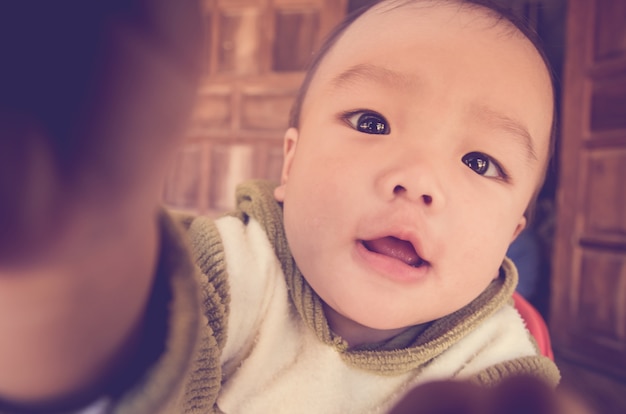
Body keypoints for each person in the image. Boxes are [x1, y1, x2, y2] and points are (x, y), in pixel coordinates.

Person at [0, 0, 560, 413]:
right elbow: (128, 365)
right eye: (372, 123)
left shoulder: (495, 362)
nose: (417, 181)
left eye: (481, 162)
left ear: (511, 235)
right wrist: (65, 271)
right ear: (290, 164)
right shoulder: (229, 271)